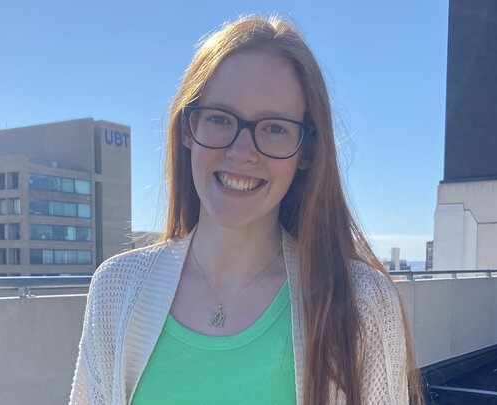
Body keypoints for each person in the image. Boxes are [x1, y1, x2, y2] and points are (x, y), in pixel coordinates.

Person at [69, 14, 423, 405]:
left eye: (273, 128)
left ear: (306, 151)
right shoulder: (116, 290)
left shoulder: (360, 305)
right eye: (220, 118)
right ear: (188, 129)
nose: (241, 152)